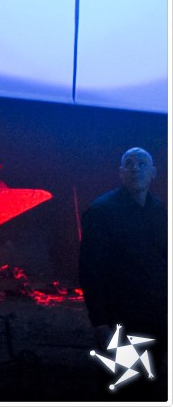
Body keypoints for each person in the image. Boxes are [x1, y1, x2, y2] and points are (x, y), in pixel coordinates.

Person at [78, 147, 168, 398]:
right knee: (120, 389)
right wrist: (99, 322)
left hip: (155, 319)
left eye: (142, 163)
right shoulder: (102, 211)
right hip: (120, 320)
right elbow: (90, 269)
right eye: (129, 163)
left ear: (153, 172)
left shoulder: (160, 210)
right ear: (121, 172)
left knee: (147, 388)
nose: (135, 168)